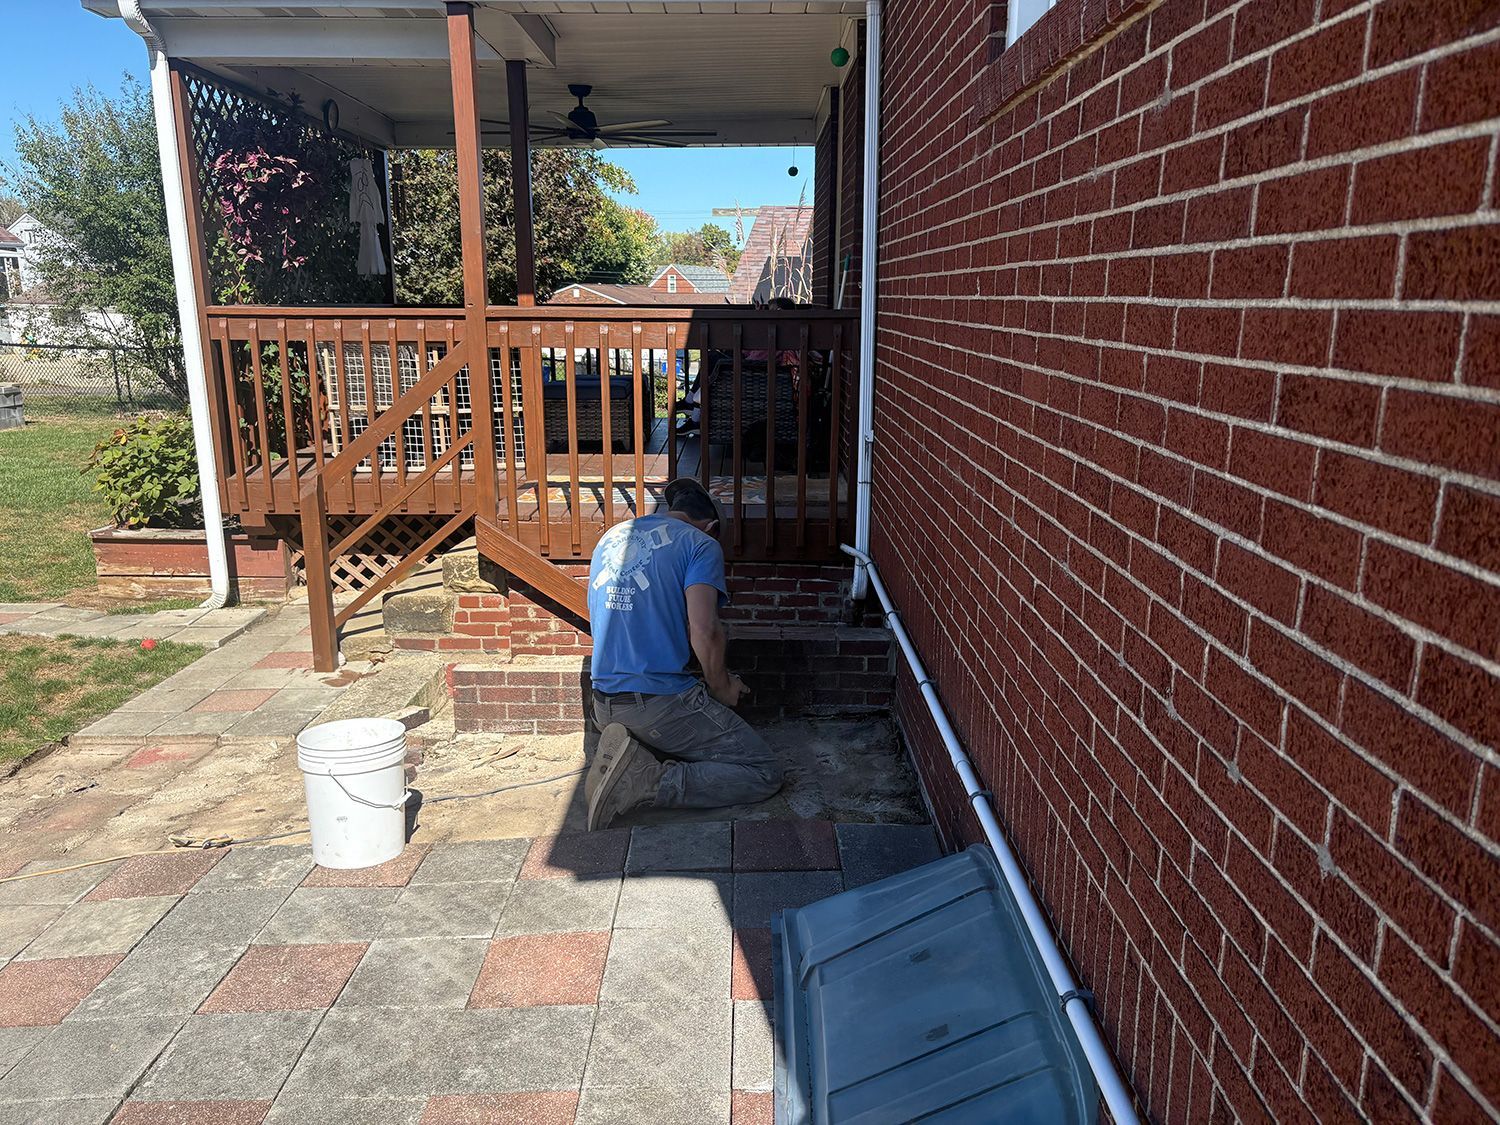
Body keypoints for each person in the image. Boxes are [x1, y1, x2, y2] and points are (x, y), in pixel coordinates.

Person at [584, 477, 783, 830]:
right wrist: (721, 686)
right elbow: (704, 631)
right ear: (712, 527)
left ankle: (630, 753)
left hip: (603, 703)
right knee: (763, 771)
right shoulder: (700, 544)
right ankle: (646, 784)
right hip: (655, 704)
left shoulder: (612, 537)